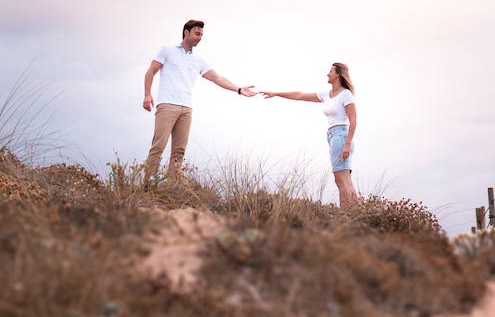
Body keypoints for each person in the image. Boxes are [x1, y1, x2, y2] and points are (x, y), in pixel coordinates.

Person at [142, 19, 256, 184]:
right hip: (167, 105)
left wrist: (238, 89)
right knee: (158, 147)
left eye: (201, 35)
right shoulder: (167, 51)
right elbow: (151, 71)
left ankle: (171, 188)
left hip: (186, 109)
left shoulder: (198, 60)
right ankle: (148, 186)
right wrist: (147, 94)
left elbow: (216, 77)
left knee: (179, 151)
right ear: (186, 32)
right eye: (197, 33)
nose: (199, 37)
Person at [261, 62, 357, 205]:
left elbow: (353, 120)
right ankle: (357, 213)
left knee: (341, 180)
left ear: (338, 74)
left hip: (341, 136)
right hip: (333, 137)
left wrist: (347, 144)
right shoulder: (327, 95)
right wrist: (276, 94)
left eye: (330, 71)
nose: (327, 73)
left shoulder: (346, 94)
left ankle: (346, 215)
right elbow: (299, 95)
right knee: (346, 180)